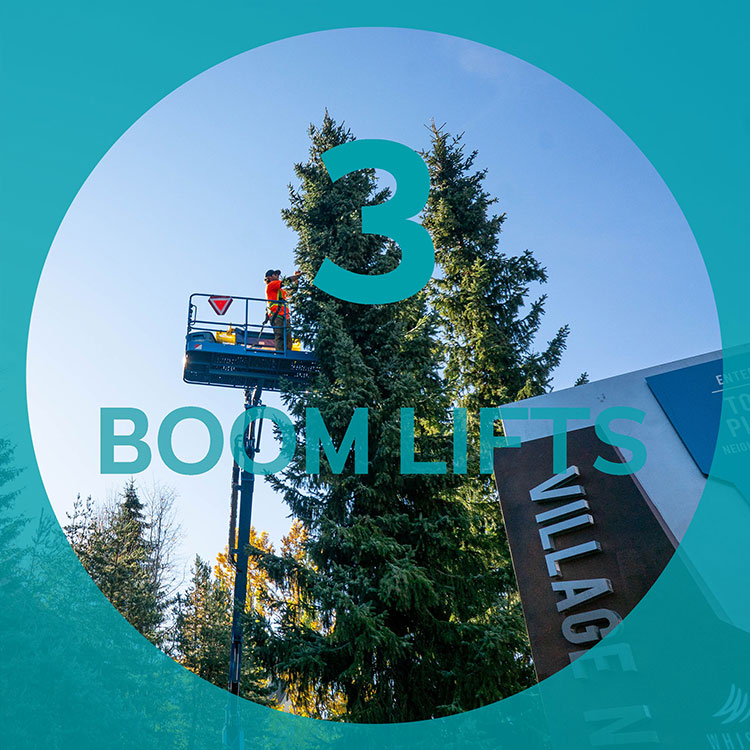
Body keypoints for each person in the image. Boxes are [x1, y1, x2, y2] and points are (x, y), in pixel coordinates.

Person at [263, 269, 300, 352]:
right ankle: (280, 354)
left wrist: (297, 280)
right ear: (269, 277)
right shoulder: (271, 285)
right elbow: (285, 282)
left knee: (288, 338)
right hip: (277, 316)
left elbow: (292, 292)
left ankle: (288, 354)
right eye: (275, 274)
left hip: (285, 316)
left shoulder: (281, 291)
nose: (277, 276)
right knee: (280, 336)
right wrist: (296, 277)